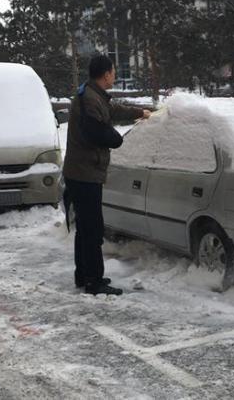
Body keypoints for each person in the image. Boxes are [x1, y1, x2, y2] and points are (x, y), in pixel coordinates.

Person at [63, 55, 151, 295]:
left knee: (85, 227)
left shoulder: (91, 94)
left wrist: (139, 112)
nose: (114, 75)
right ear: (105, 74)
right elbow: (97, 132)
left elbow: (112, 110)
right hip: (85, 173)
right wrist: (118, 138)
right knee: (92, 229)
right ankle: (94, 281)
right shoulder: (90, 99)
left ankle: (84, 276)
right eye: (113, 72)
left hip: (81, 171)